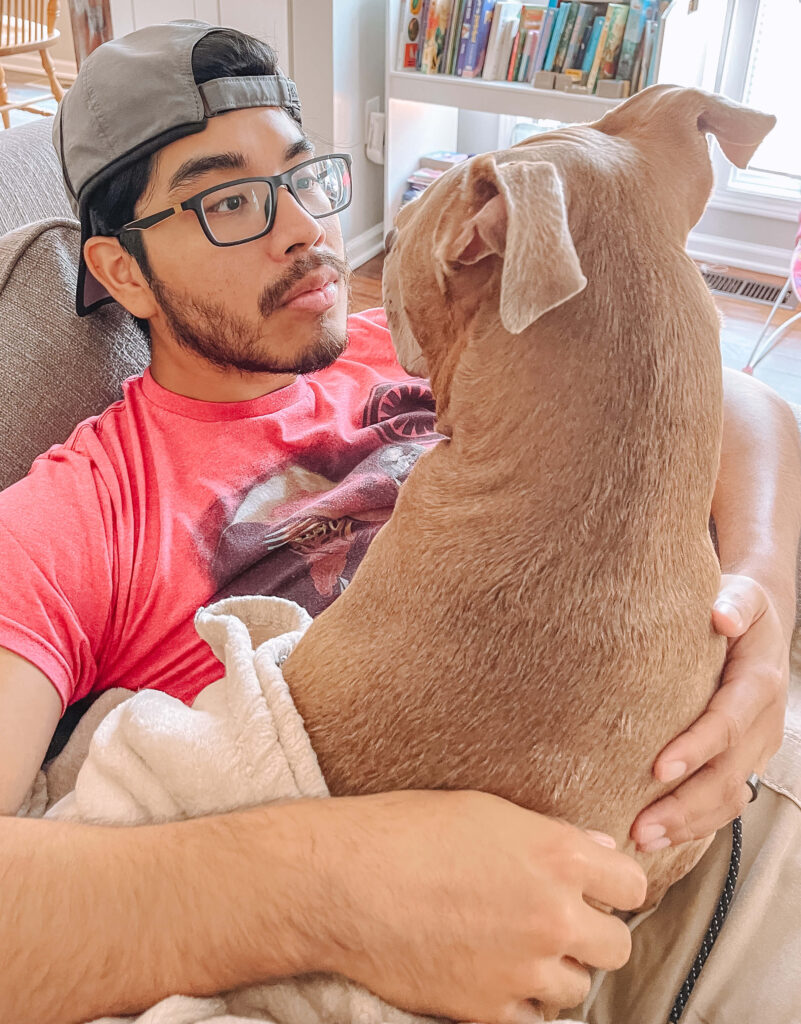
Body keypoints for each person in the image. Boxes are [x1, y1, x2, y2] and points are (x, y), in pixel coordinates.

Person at [0, 20, 799, 1024]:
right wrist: (326, 892)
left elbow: (741, 402)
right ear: (121, 273)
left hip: (708, 781)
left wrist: (757, 603)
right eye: (231, 201)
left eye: (305, 176)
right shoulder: (83, 505)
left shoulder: (411, 329)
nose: (303, 228)